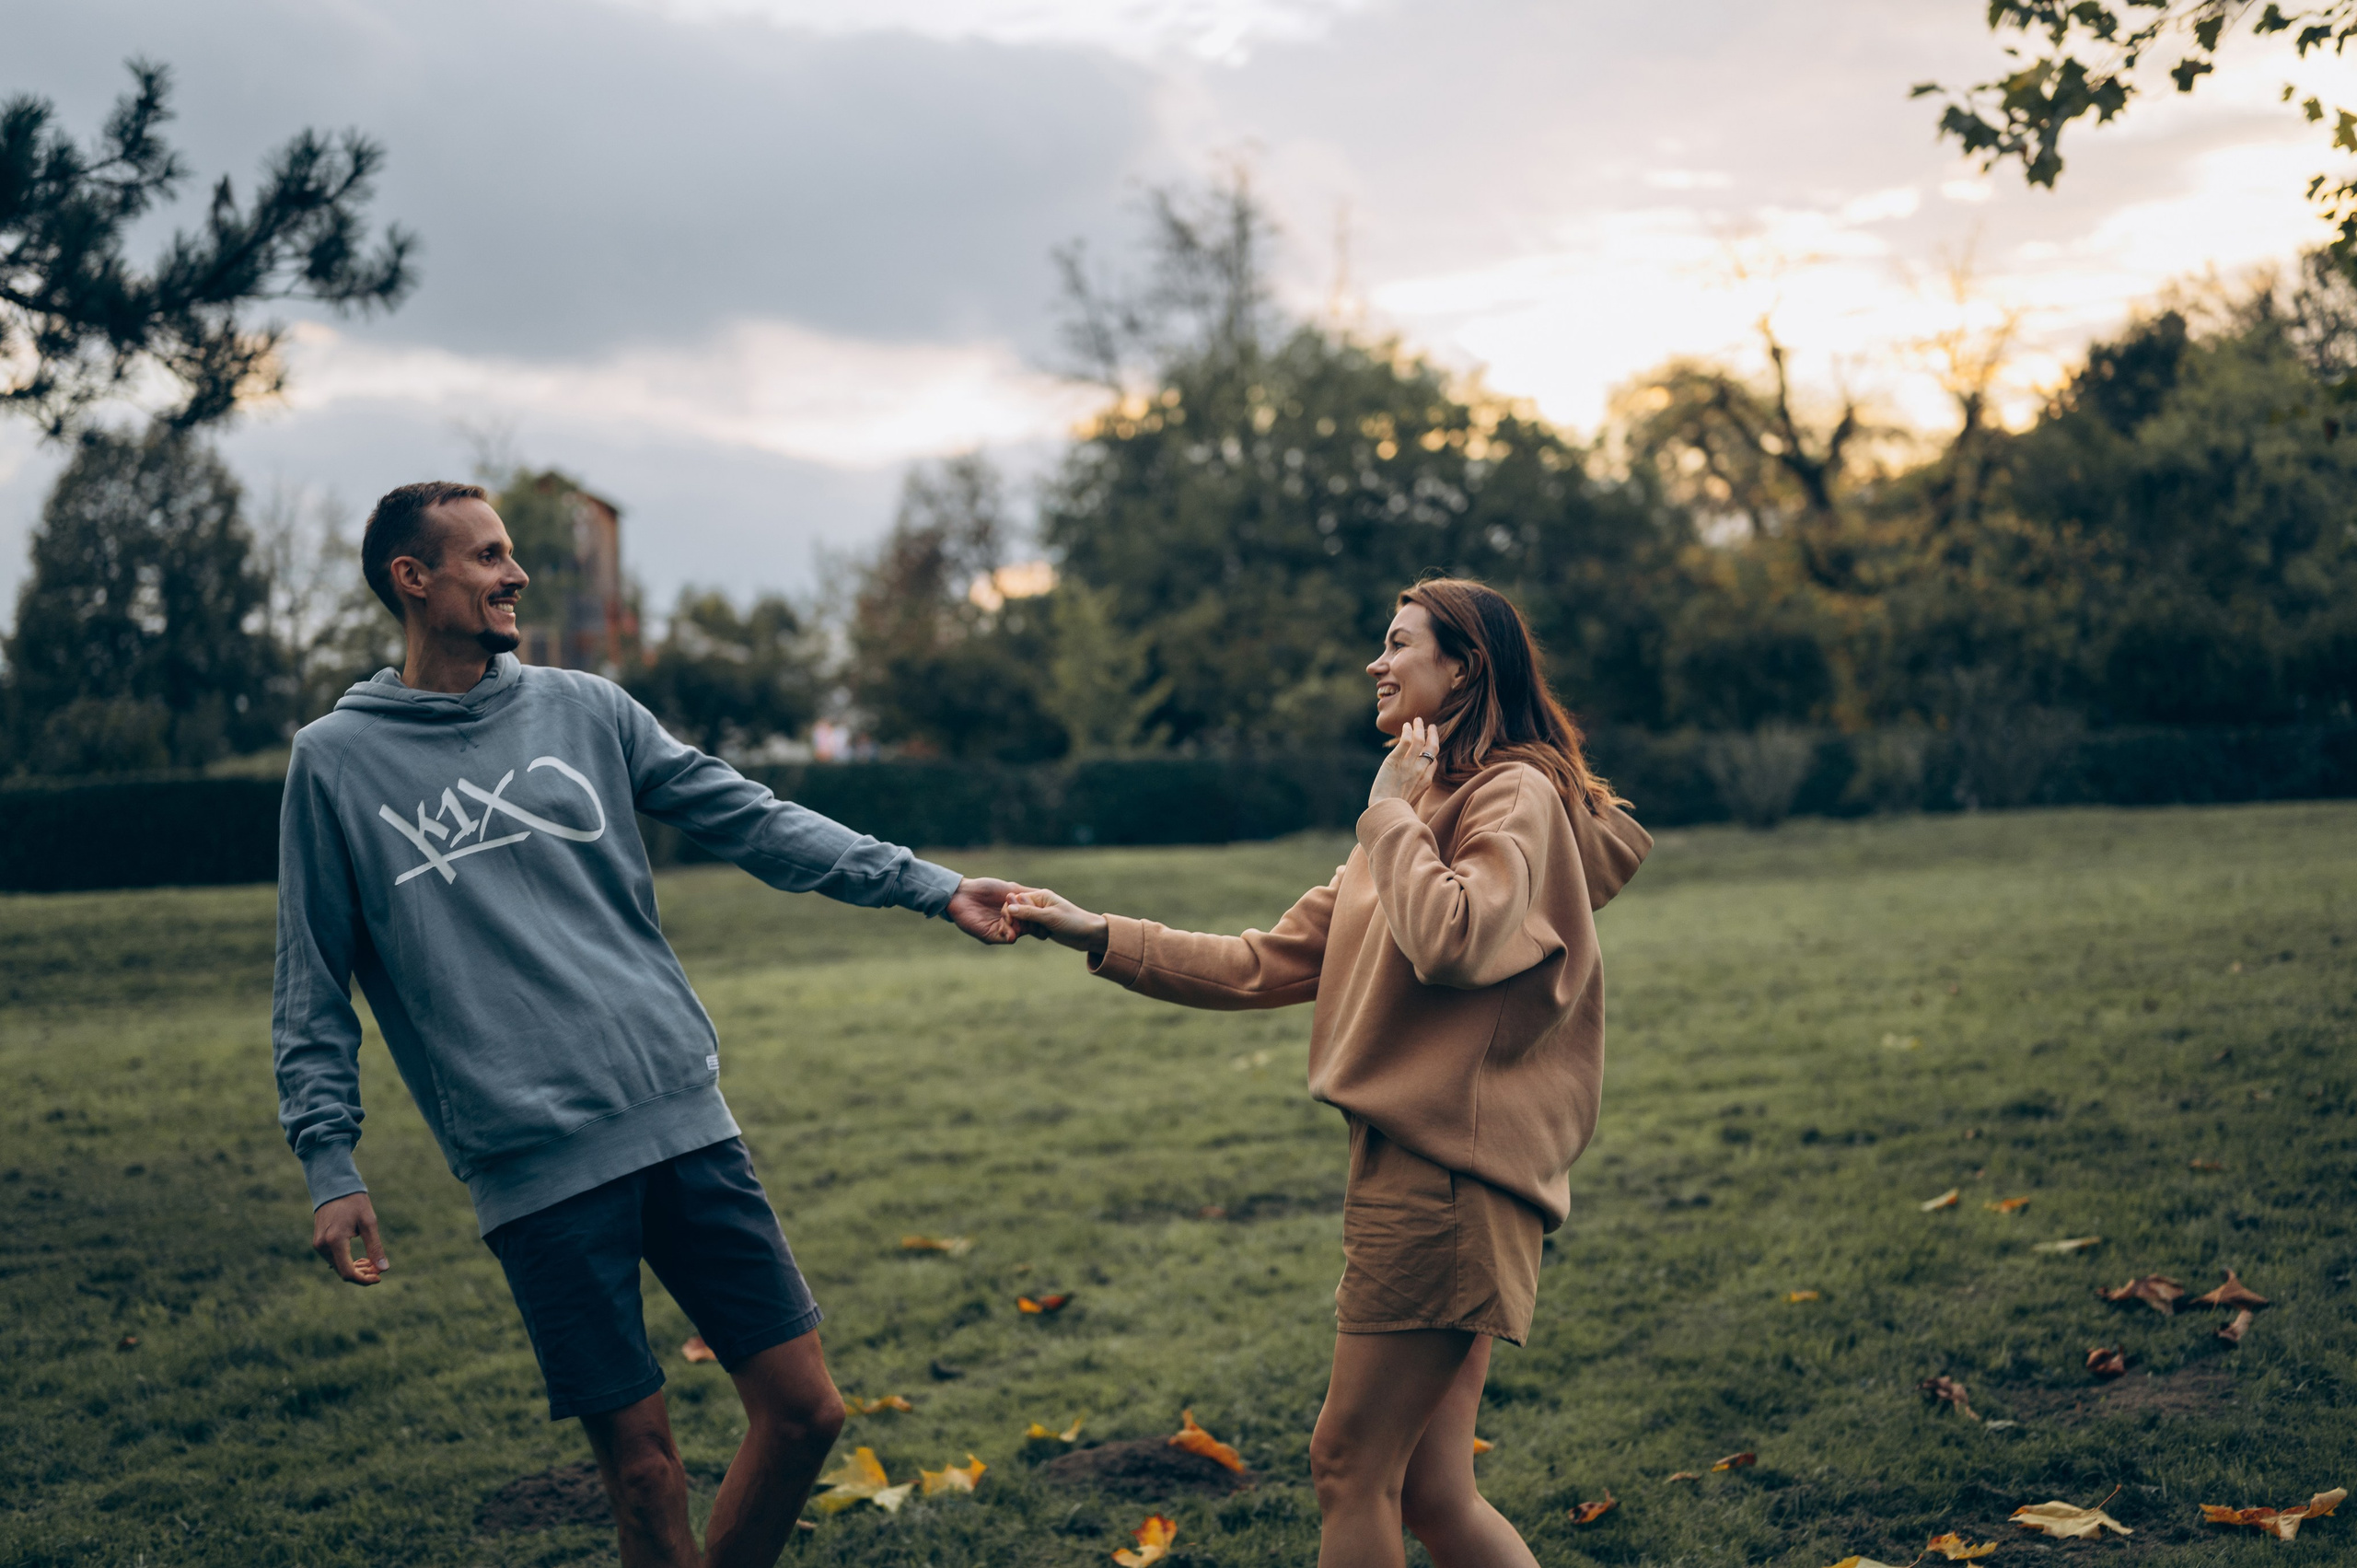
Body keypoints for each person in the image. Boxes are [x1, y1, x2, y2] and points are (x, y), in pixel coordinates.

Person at [272, 481, 1029, 1568]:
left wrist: (924, 883)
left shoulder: (586, 709)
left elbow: (754, 819)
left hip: (680, 1119)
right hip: (532, 1163)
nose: (515, 574)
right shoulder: (336, 763)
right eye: (487, 556)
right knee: (641, 1471)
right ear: (413, 578)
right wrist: (329, 1156)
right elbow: (311, 976)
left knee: (806, 1410)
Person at [1007, 578, 1651, 1568]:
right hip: (1426, 1168)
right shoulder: (1425, 804)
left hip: (1447, 1179)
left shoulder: (1506, 794)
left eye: (1397, 643)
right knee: (1432, 1488)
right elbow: (1262, 962)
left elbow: (1455, 937)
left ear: (1464, 667)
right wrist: (1091, 929)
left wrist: (1386, 816)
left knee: (1347, 1466)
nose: (1375, 663)